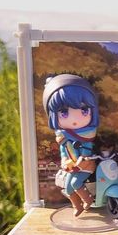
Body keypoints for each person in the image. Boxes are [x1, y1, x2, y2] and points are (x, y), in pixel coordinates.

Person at [43, 74, 99, 217]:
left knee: (75, 183)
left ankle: (88, 199)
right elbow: (63, 151)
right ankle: (77, 205)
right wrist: (64, 161)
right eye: (64, 112)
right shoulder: (62, 137)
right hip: (71, 166)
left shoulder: (87, 135)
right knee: (68, 189)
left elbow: (87, 151)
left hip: (85, 165)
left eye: (84, 110)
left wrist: (80, 161)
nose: (74, 119)